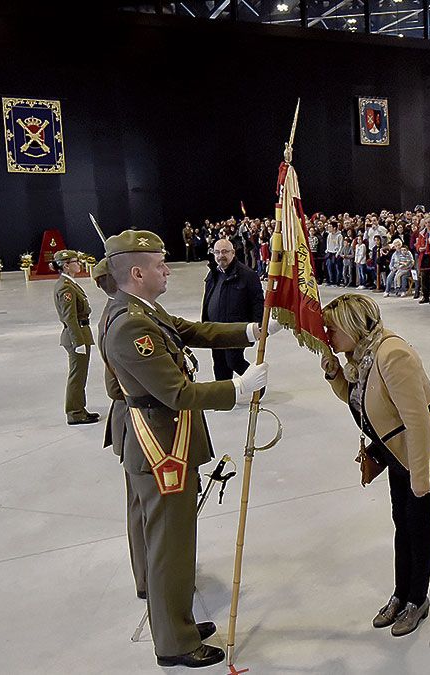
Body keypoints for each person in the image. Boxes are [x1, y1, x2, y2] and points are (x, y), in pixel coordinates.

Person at [100, 230, 274, 668]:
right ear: (136, 273)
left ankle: (166, 616)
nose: (167, 269)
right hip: (160, 440)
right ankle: (175, 641)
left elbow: (191, 330)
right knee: (170, 545)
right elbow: (176, 393)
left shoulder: (135, 309)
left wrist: (248, 331)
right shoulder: (131, 325)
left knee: (152, 537)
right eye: (160, 264)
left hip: (146, 434)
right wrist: (236, 388)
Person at [319, 294, 430, 636]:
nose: (327, 335)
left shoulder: (393, 355)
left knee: (417, 522)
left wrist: (420, 477)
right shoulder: (361, 357)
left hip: (421, 450)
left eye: (332, 328)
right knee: (401, 521)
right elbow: (360, 400)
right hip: (395, 450)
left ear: (353, 326)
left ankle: (417, 599)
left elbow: (418, 421)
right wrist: (336, 374)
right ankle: (400, 593)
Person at [91, 259, 147, 601]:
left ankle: (147, 577)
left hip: (130, 424)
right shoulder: (124, 322)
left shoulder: (118, 312)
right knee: (145, 513)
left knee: (140, 510)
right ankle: (149, 579)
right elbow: (116, 388)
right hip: (138, 425)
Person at [202, 238, 264, 381]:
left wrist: (258, 325)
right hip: (215, 329)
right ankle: (224, 394)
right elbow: (207, 298)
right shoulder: (213, 273)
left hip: (236, 329)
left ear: (233, 253)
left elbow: (258, 302)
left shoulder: (248, 275)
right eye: (216, 252)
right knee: (219, 362)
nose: (220, 256)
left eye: (224, 252)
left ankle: (257, 384)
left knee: (233, 361)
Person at [52, 250, 100, 425]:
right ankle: (74, 412)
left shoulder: (69, 283)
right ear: (66, 265)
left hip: (81, 332)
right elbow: (69, 317)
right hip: (76, 334)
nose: (79, 264)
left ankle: (80, 408)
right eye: (75, 261)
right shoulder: (66, 287)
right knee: (77, 376)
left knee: (80, 375)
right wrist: (78, 341)